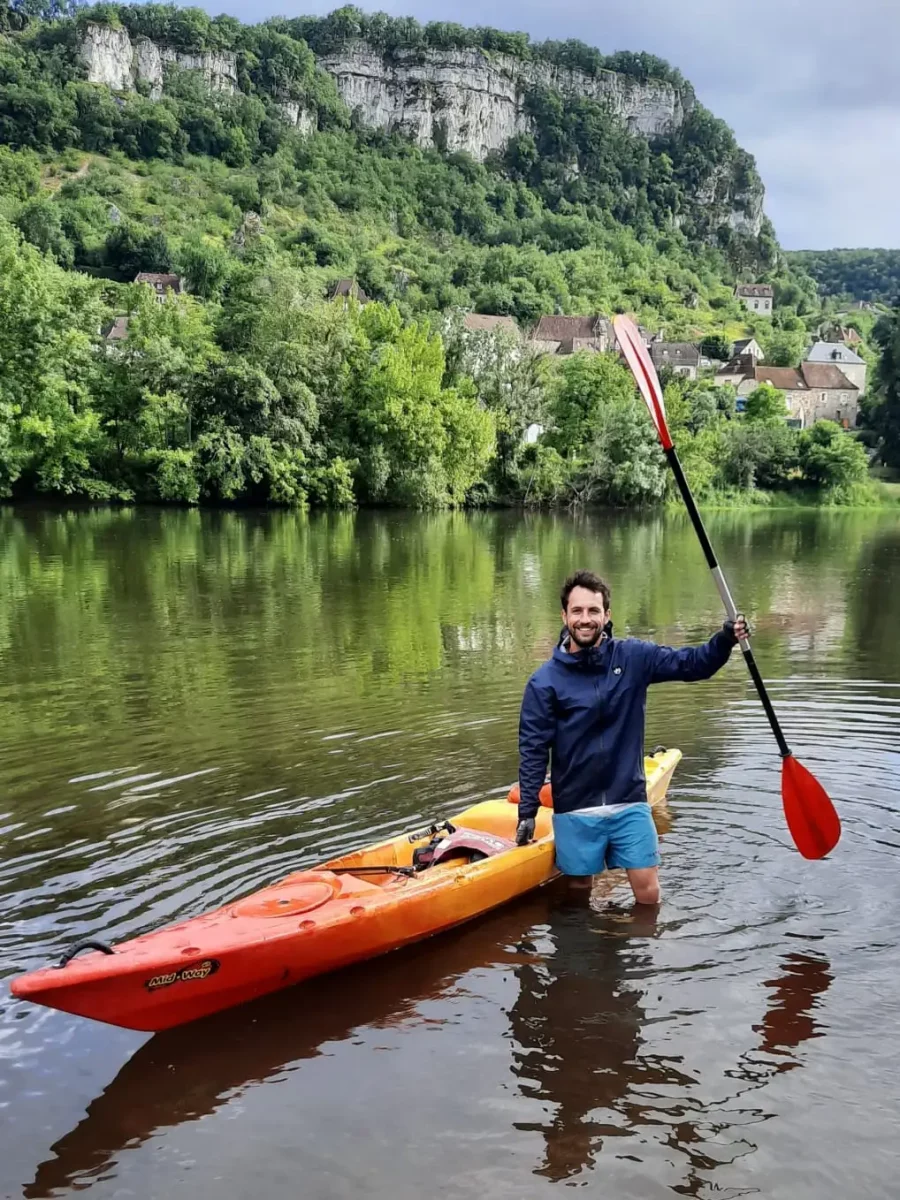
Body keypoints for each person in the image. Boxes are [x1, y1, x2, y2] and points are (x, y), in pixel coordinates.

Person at [516, 570, 749, 905]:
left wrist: (725, 638)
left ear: (607, 615)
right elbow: (533, 749)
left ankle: (642, 951)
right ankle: (585, 951)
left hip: (629, 802)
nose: (585, 619)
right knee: (578, 896)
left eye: (593, 611)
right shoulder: (544, 682)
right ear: (564, 616)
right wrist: (527, 812)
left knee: (649, 893)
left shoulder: (634, 657)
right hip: (575, 809)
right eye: (578, 611)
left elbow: (693, 664)